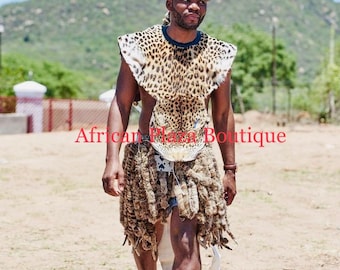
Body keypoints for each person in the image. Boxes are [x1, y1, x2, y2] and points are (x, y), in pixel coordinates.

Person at [102, 0, 238, 269]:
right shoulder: (139, 47)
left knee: (188, 248)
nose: (194, 6)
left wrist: (230, 169)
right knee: (145, 243)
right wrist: (112, 160)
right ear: (169, 3)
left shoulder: (217, 54)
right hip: (147, 159)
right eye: (186, 0)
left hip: (195, 160)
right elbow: (121, 103)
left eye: (200, 1)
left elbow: (223, 114)